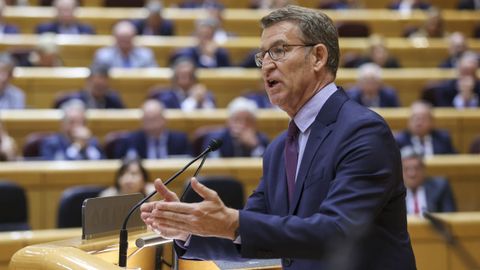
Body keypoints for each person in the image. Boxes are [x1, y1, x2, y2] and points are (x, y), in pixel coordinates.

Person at [141, 6, 416, 270]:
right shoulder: (278, 150)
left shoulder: (363, 132)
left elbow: (337, 233)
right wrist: (189, 230)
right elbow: (256, 233)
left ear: (318, 57)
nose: (266, 66)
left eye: (279, 50)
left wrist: (233, 224)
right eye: (263, 56)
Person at [122, 99, 192, 159]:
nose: (151, 125)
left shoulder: (180, 140)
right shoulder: (133, 140)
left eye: (154, 119)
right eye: (147, 120)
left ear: (164, 119)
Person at [203, 97, 269, 158]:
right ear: (229, 121)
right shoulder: (217, 140)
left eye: (248, 120)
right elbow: (212, 164)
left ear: (254, 124)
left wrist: (255, 147)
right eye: (237, 119)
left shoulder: (262, 139)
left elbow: (266, 164)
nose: (242, 124)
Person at [400, 146, 456, 215]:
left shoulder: (440, 187)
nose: (412, 174)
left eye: (416, 168)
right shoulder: (394, 192)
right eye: (406, 169)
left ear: (423, 169)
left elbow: (450, 217)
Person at [148, 57, 216, 111]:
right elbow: (179, 118)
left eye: (188, 75)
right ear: (175, 77)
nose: (186, 80)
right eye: (182, 76)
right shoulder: (166, 97)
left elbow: (211, 116)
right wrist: (193, 100)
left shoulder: (206, 94)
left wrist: (203, 101)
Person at [54, 65, 125, 109]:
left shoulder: (113, 100)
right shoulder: (73, 99)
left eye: (103, 86)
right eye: (97, 86)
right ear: (88, 82)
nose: (100, 89)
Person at [92, 20, 157, 68]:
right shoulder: (103, 56)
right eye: (122, 39)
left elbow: (153, 75)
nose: (125, 42)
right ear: (115, 38)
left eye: (128, 38)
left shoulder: (146, 55)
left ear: (133, 37)